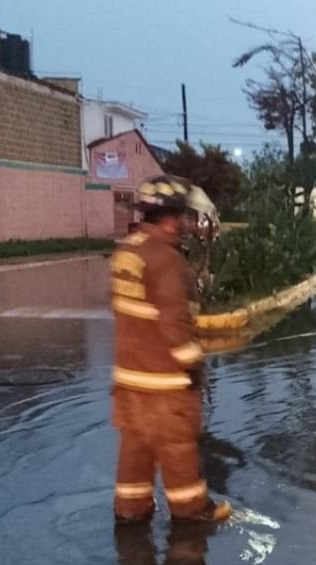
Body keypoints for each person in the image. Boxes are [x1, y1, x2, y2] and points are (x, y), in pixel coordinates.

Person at [111, 174, 231, 524]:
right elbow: (174, 324)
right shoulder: (166, 259)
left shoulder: (126, 252)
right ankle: (193, 512)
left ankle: (131, 511)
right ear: (168, 217)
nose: (185, 225)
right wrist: (192, 368)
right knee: (178, 448)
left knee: (135, 450)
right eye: (181, 217)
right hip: (164, 384)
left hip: (129, 382)